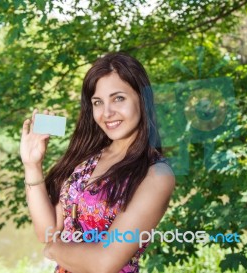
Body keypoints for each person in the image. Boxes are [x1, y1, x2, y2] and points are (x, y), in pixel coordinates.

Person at [20, 52, 175, 273]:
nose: (107, 112)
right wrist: (32, 166)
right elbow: (48, 230)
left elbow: (104, 263)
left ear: (142, 99)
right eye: (98, 102)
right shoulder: (87, 160)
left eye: (118, 98)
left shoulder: (157, 174)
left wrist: (53, 250)